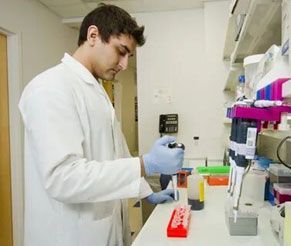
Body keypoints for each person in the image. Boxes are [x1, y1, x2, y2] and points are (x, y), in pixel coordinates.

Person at [19, 4, 184, 246]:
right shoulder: (50, 88)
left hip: (104, 232)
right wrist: (144, 164)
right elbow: (63, 177)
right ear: (93, 35)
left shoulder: (96, 91)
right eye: (121, 51)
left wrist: (147, 192)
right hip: (68, 236)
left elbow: (115, 155)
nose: (124, 65)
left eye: (129, 56)